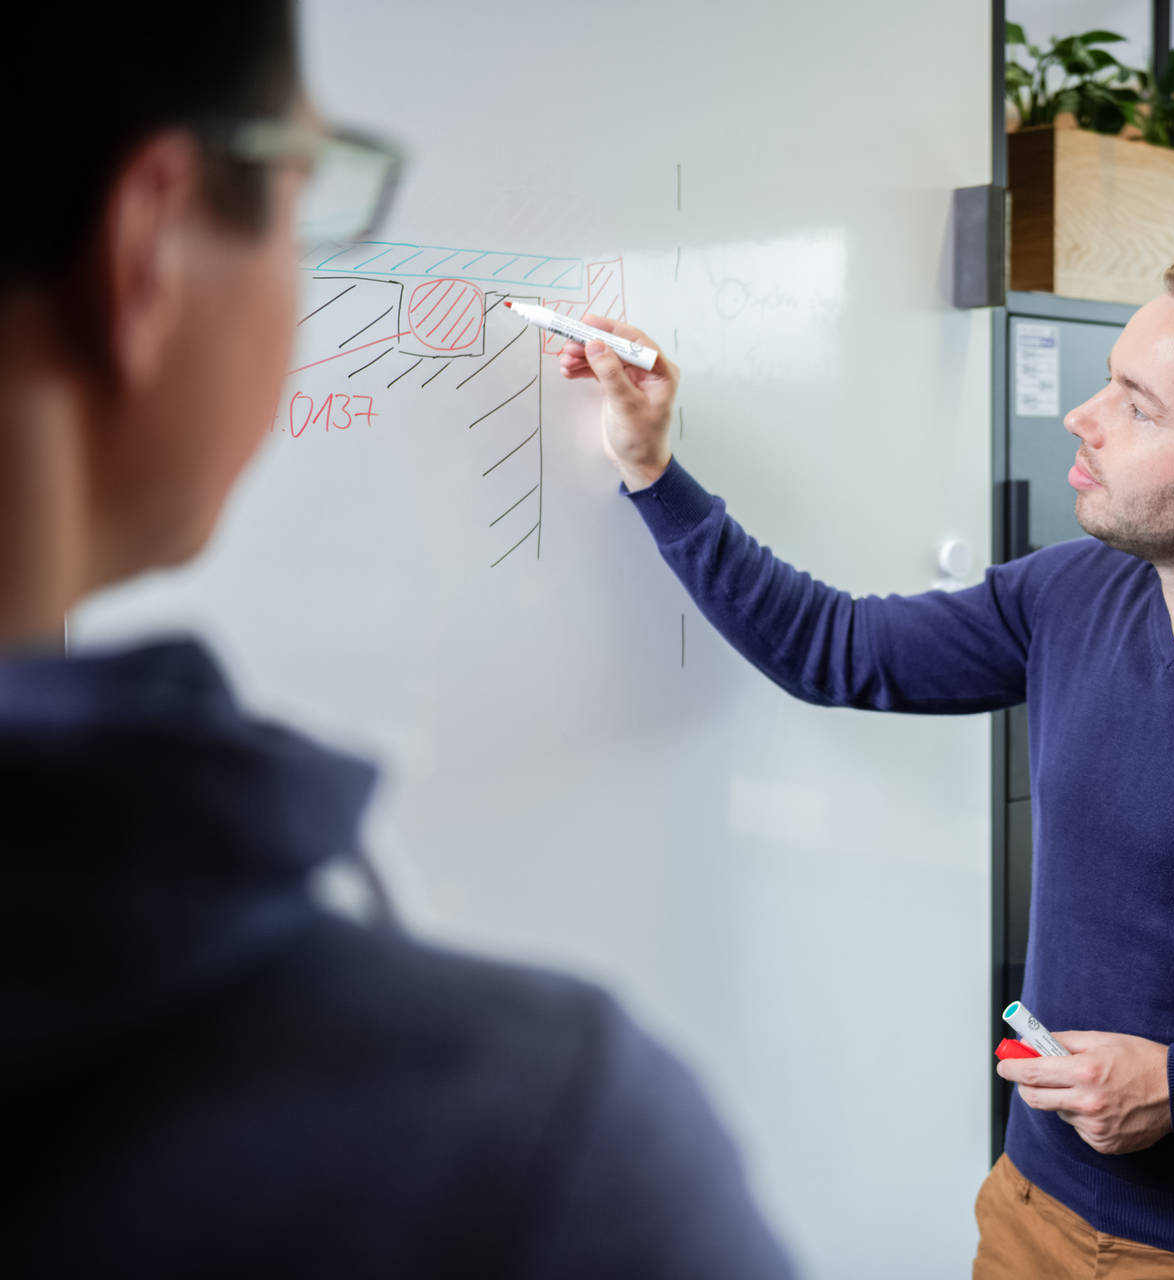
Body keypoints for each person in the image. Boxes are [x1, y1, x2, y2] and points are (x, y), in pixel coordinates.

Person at [563, 257, 1174, 1273]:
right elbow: (837, 648)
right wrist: (652, 468)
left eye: (1137, 403)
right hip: (1029, 1210)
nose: (1085, 416)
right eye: (1108, 380)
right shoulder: (1075, 589)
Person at [0, 5, 791, 1276]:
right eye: (315, 202)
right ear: (148, 241)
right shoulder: (525, 1148)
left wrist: (647, 478)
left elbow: (828, 649)